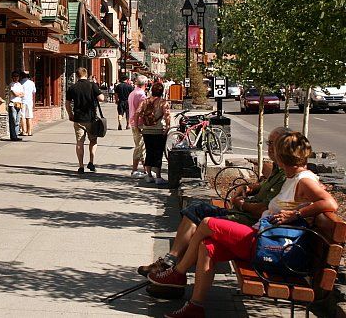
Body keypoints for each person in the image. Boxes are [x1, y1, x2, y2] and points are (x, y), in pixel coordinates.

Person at [150, 131, 338, 318]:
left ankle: (178, 273)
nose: (270, 151)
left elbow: (330, 203)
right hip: (266, 239)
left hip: (271, 245)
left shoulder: (303, 180)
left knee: (207, 223)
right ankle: (195, 307)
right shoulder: (292, 177)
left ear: (281, 157)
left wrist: (294, 214)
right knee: (207, 247)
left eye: (274, 148)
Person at [138, 127, 290, 277]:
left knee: (203, 223)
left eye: (273, 143)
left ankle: (173, 269)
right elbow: (264, 186)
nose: (269, 148)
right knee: (195, 210)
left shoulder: (286, 175)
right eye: (269, 143)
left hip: (249, 221)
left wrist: (241, 204)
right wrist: (249, 188)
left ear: (283, 147)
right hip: (242, 213)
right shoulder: (278, 168)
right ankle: (170, 263)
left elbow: (263, 209)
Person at [65, 67, 105, 174]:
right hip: (91, 118)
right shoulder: (92, 85)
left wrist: (70, 114)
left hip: (78, 118)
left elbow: (67, 104)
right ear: (86, 74)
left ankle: (81, 166)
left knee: (79, 142)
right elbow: (101, 98)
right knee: (93, 141)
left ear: (77, 75)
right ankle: (91, 162)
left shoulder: (72, 87)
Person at [136, 82, 171, 185]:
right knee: (158, 153)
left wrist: (137, 126)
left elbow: (137, 113)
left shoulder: (145, 101)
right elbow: (167, 115)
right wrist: (168, 126)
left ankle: (149, 175)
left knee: (149, 152)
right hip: (158, 131)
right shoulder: (163, 102)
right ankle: (158, 177)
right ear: (162, 91)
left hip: (146, 131)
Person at [128, 75, 148, 177]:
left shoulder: (132, 93)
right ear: (146, 84)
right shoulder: (141, 95)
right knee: (140, 147)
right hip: (139, 123)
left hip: (133, 122)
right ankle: (136, 170)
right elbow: (140, 111)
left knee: (140, 146)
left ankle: (145, 170)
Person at [8, 71, 24, 141]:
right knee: (13, 121)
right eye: (14, 76)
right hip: (13, 104)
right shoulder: (11, 85)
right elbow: (15, 94)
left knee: (17, 121)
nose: (16, 77)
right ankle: (13, 136)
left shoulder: (20, 84)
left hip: (19, 103)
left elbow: (23, 94)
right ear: (12, 77)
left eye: (17, 76)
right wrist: (19, 94)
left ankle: (16, 135)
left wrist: (19, 94)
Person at [20, 71, 36, 136]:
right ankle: (29, 132)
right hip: (29, 101)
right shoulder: (32, 83)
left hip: (22, 101)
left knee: (23, 117)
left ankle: (24, 132)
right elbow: (34, 91)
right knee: (29, 117)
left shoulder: (20, 83)